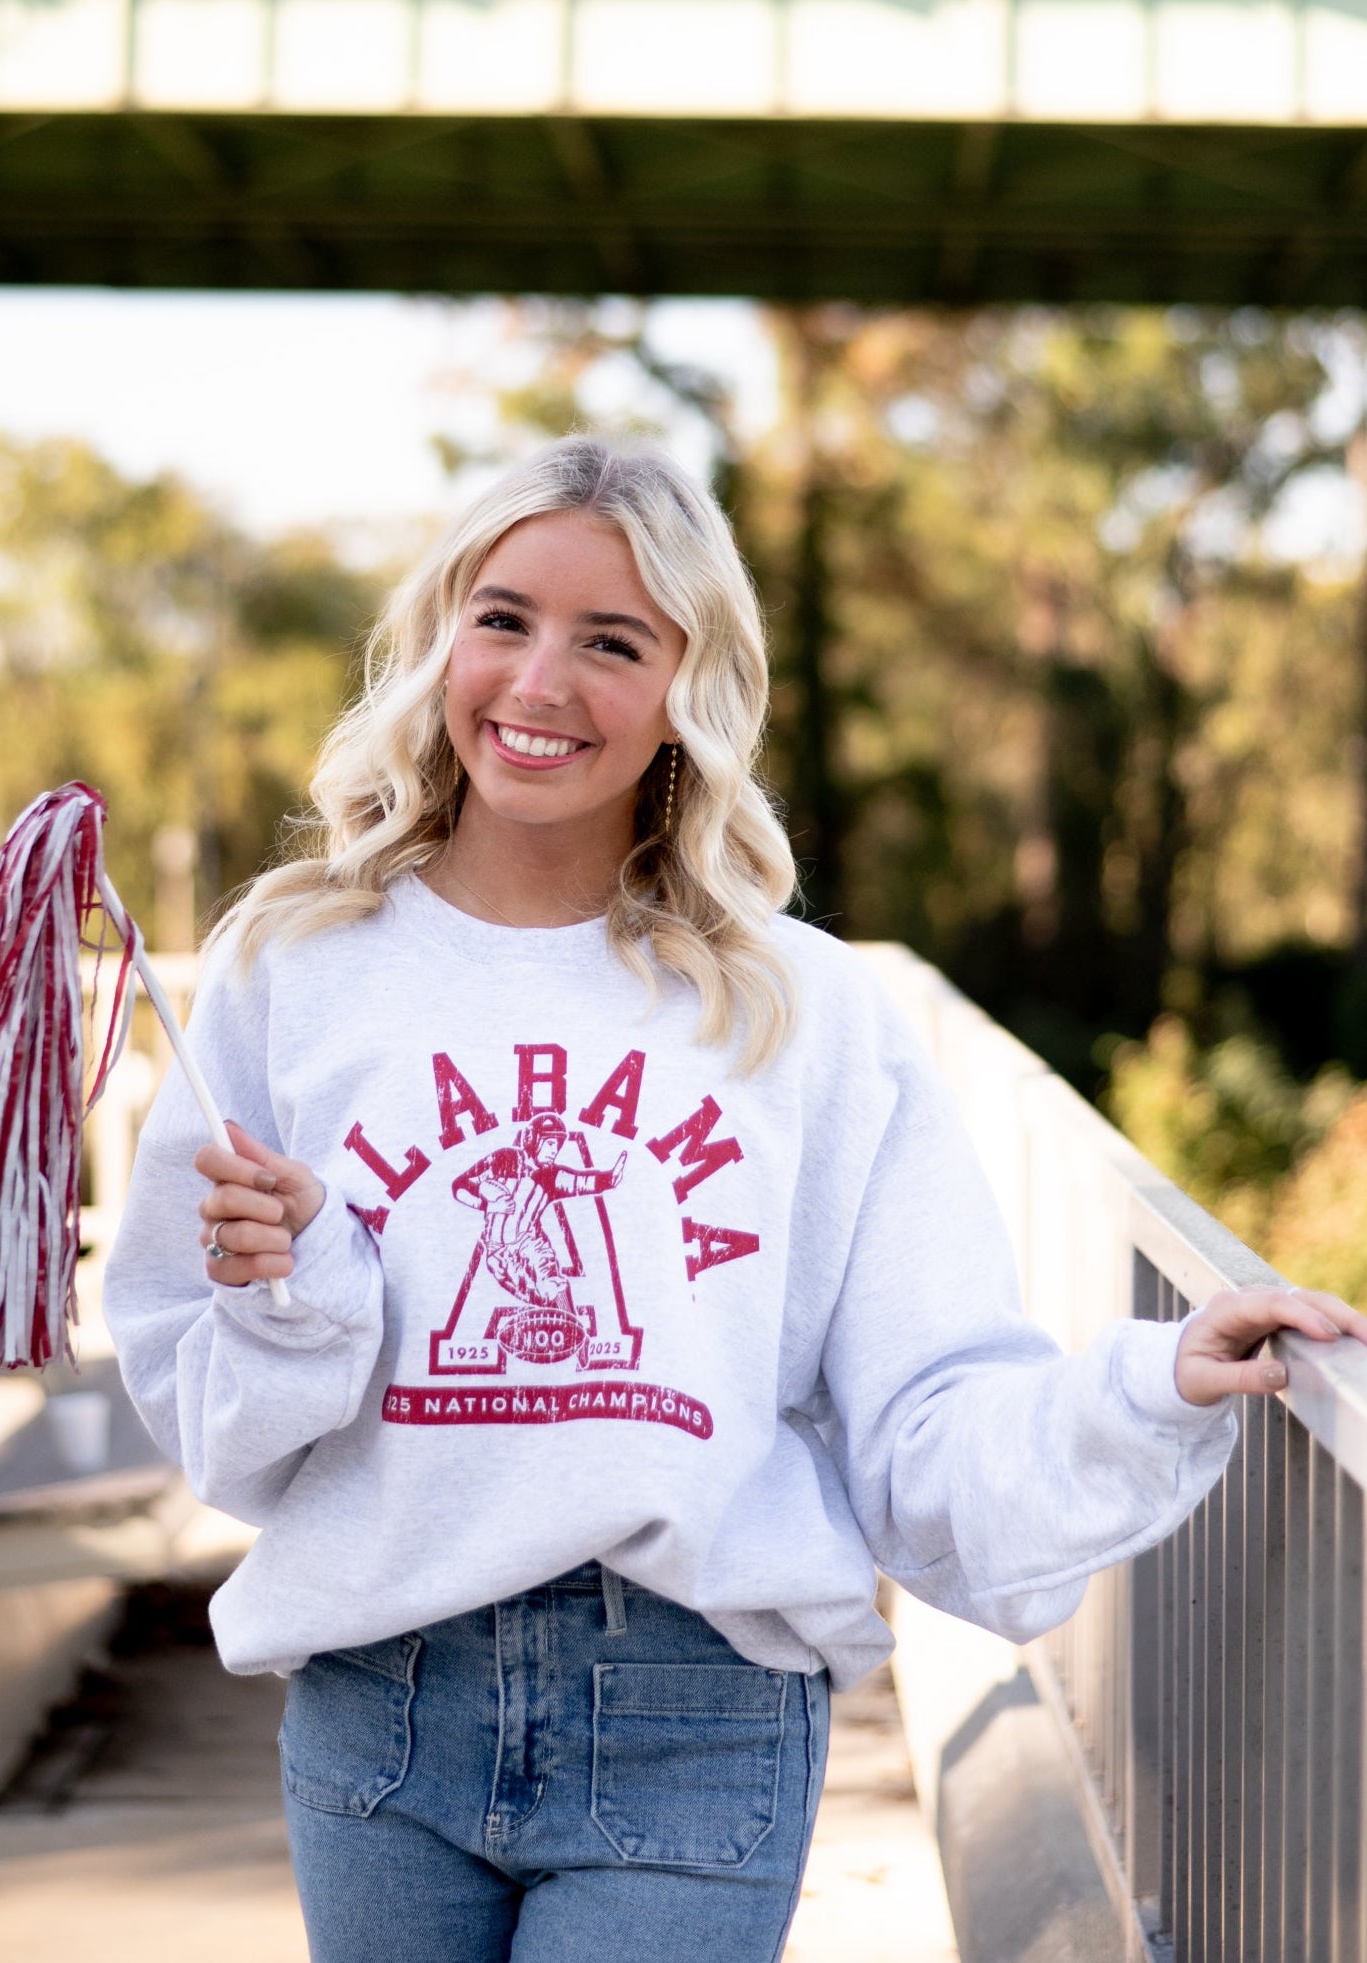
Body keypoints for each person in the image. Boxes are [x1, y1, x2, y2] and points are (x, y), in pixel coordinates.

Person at [102, 434, 1366, 1963]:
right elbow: (216, 1429)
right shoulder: (286, 971)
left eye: (612, 641)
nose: (539, 681)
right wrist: (298, 1298)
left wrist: (1148, 1386)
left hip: (692, 1718)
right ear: (442, 633)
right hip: (380, 1707)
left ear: (689, 688)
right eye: (501, 617)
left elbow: (924, 1410)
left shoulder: (797, 1010)